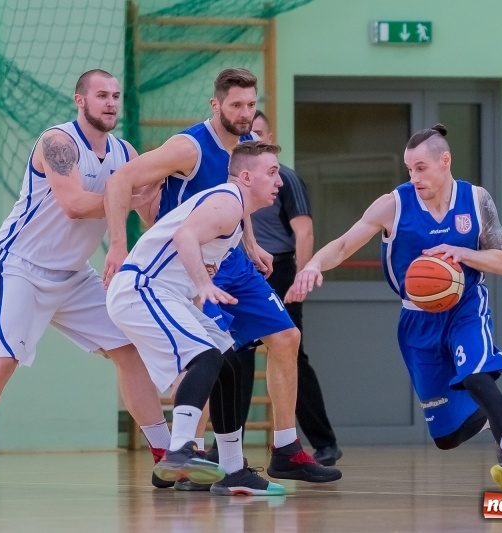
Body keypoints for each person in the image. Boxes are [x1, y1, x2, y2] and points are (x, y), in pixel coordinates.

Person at [0, 69, 170, 495]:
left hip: (75, 274)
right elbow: (76, 205)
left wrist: (181, 230)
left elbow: (146, 210)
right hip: (21, 265)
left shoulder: (125, 151)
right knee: (2, 361)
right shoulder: (58, 142)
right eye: (101, 95)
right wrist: (127, 200)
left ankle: (168, 460)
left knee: (129, 351)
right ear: (80, 100)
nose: (111, 102)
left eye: (115, 95)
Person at [103, 68, 341, 484]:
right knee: (206, 360)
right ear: (216, 105)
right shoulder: (190, 146)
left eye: (251, 104)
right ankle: (180, 457)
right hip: (179, 267)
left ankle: (278, 451)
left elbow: (237, 205)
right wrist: (119, 246)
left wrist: (250, 243)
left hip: (226, 259)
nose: (246, 113)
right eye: (236, 105)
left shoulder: (248, 150)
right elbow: (124, 180)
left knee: (278, 340)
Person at [286, 124, 502, 498]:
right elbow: (343, 244)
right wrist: (312, 265)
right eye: (410, 169)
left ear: (445, 161)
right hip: (417, 318)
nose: (414, 177)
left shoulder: (475, 200)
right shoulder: (393, 205)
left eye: (421, 168)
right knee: (447, 436)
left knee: (477, 377)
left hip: (466, 305)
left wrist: (463, 253)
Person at [106, 140, 287, 496]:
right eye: (272, 172)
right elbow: (184, 235)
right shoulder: (227, 202)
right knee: (204, 356)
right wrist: (204, 286)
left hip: (164, 293)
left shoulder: (234, 212)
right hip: (141, 289)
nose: (279, 180)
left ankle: (233, 470)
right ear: (247, 177)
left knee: (229, 363)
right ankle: (180, 449)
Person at [209, 109, 341, 466]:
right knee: (233, 354)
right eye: (248, 135)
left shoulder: (285, 179)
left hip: (280, 270)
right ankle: (221, 445)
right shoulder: (226, 185)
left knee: (289, 346)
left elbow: (304, 230)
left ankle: (319, 441)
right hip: (234, 268)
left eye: (260, 133)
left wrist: (301, 274)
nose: (253, 138)